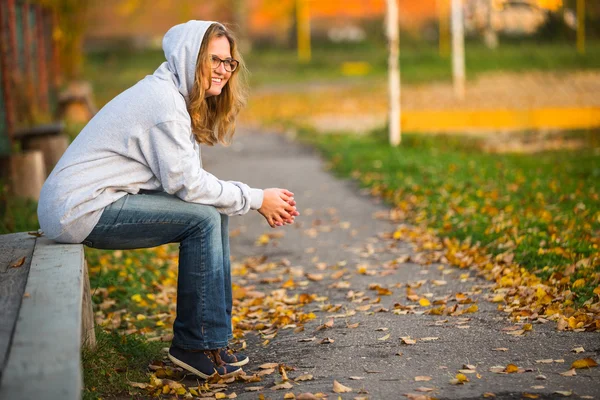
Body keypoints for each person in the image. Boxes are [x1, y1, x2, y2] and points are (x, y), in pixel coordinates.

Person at [37, 20, 299, 379]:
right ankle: (194, 344)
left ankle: (213, 341)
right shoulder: (164, 104)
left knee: (212, 212)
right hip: (78, 209)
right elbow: (189, 185)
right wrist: (255, 198)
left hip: (91, 202)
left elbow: (189, 184)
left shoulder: (171, 93)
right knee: (204, 218)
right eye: (215, 60)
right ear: (190, 58)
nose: (224, 70)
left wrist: (241, 198)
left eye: (229, 62)